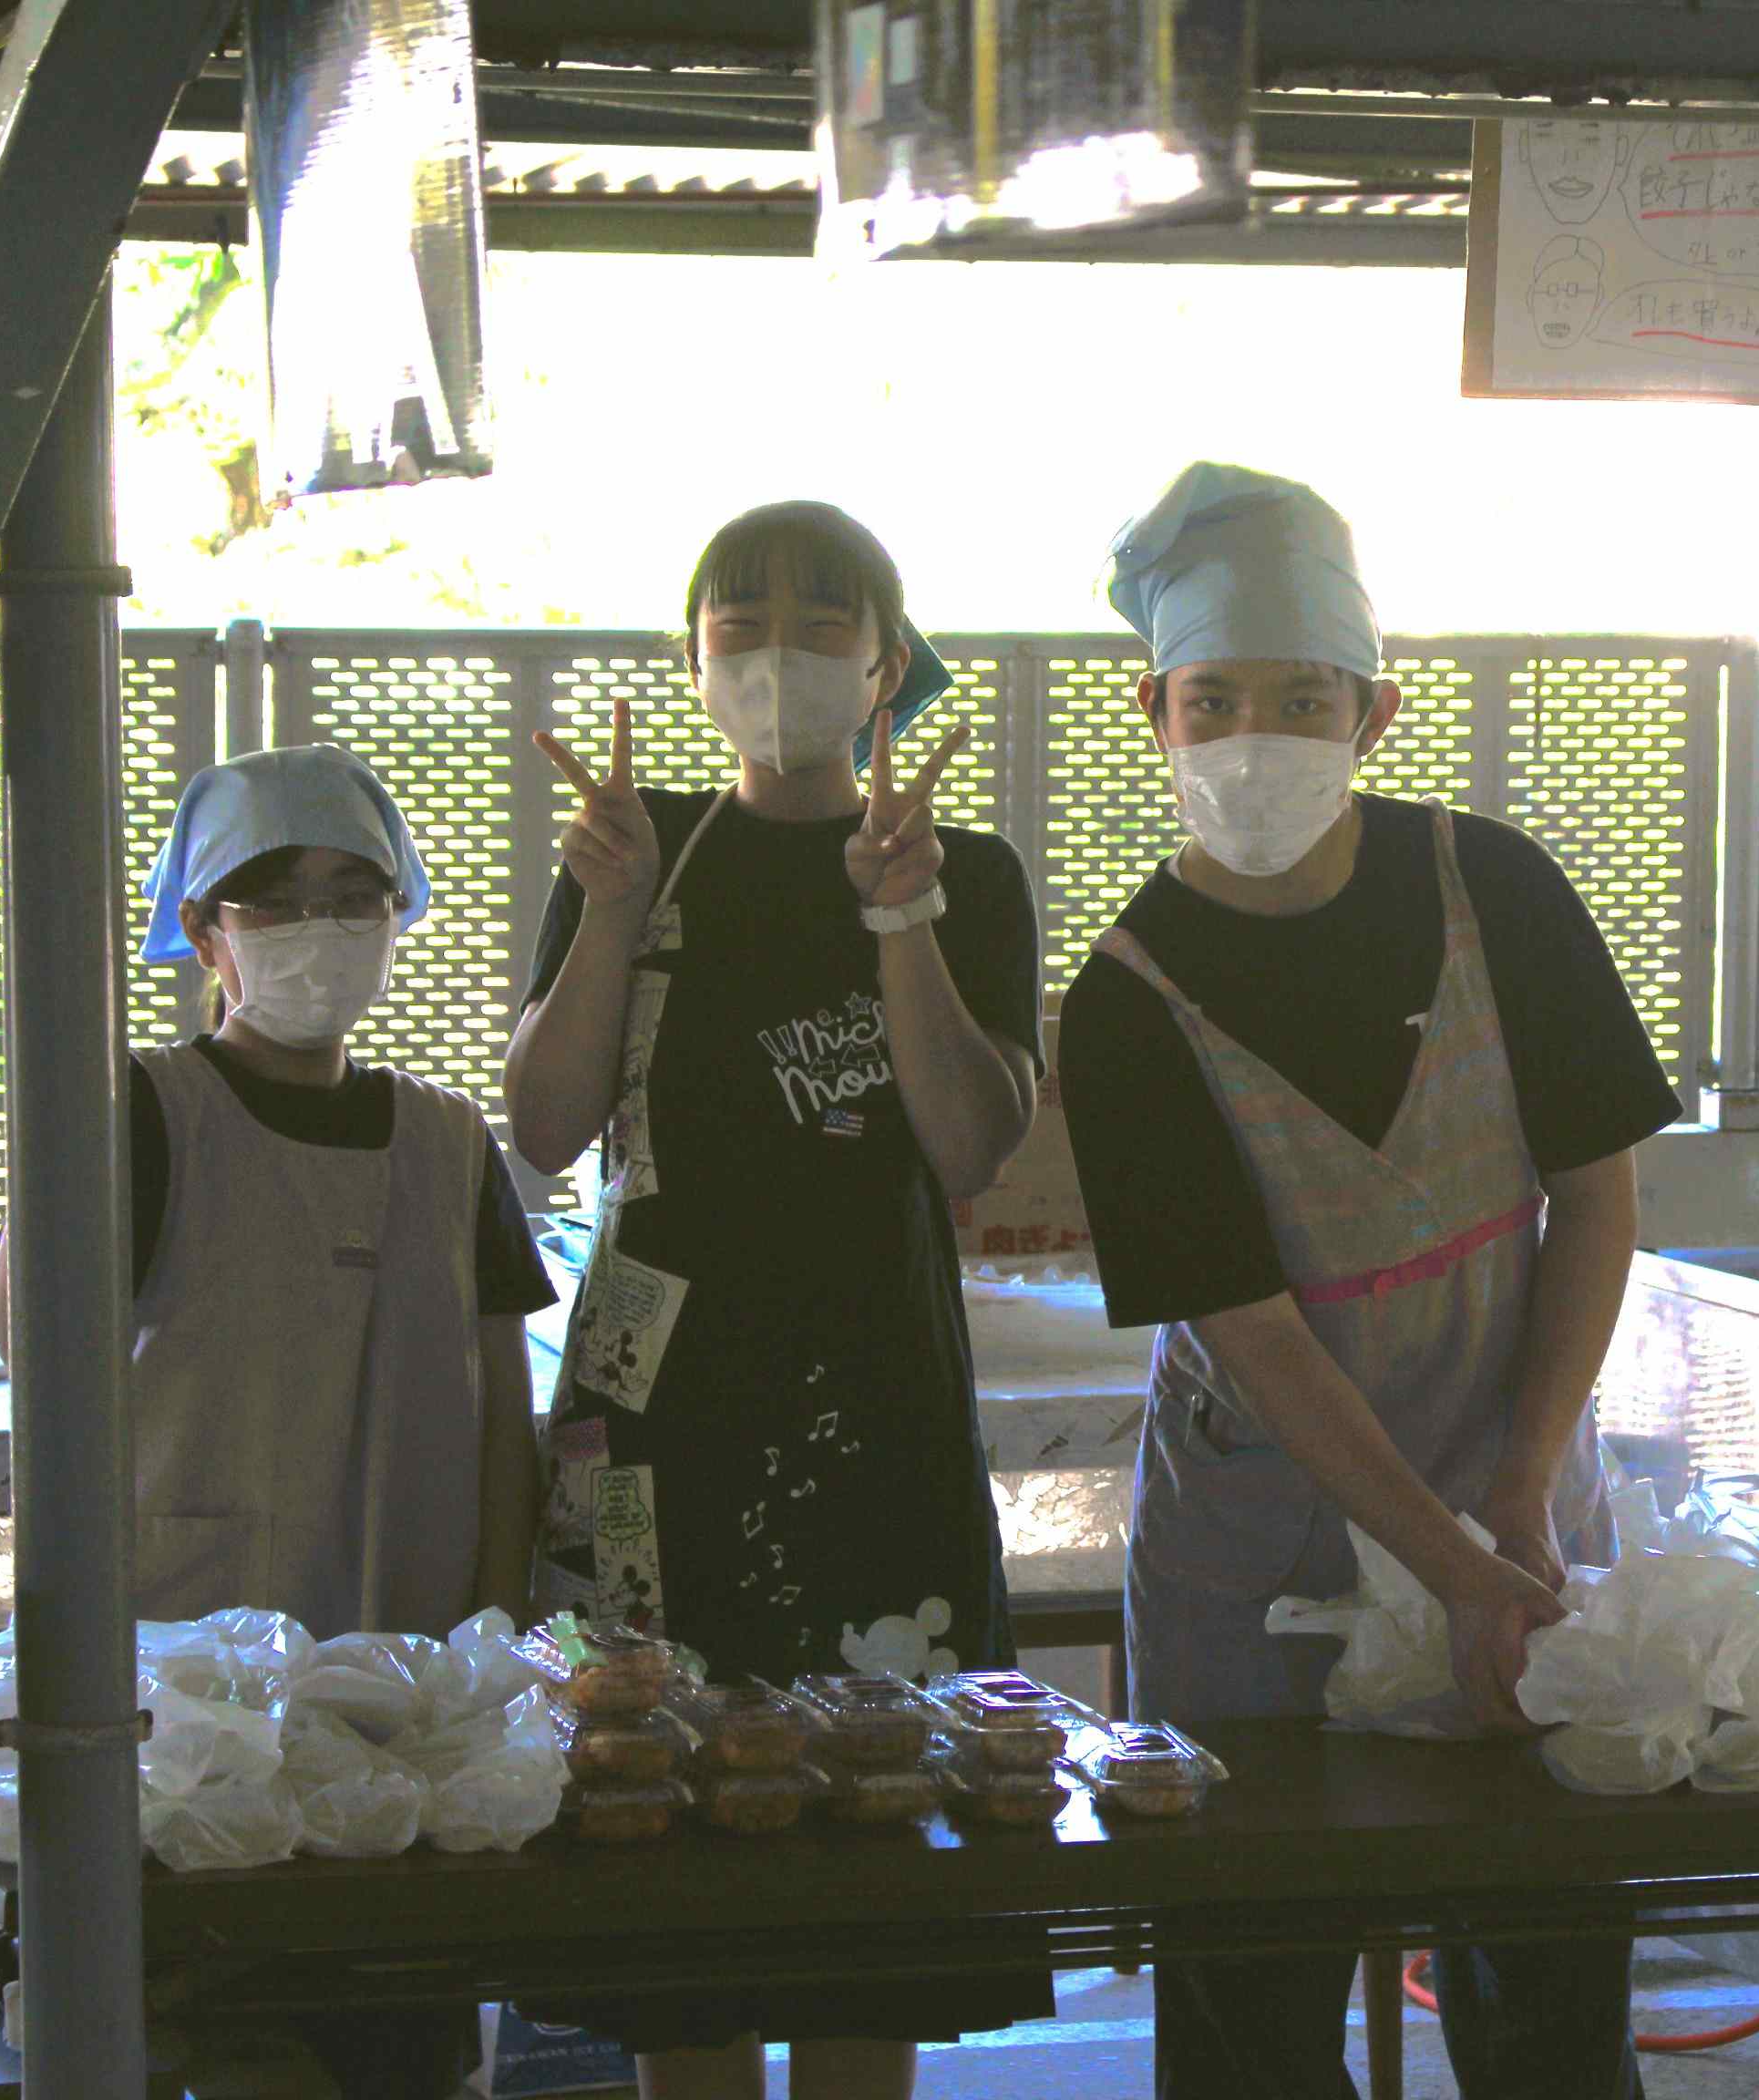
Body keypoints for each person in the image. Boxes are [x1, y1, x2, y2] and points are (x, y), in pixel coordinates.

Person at [1058, 461, 1680, 2100]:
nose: (1253, 736)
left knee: (1548, 1991)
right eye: (1213, 701)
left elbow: (1595, 1200)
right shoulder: (1126, 1003)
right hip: (1255, 1546)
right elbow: (1258, 1337)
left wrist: (1517, 1497)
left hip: (1515, 1473)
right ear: (1154, 714)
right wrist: (1449, 1564)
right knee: (1253, 2010)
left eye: (1302, 699)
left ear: (1375, 713)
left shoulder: (1497, 892)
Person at [504, 499, 1049, 2099]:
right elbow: (544, 1125)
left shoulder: (963, 870)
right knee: (664, 1853)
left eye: (823, 624)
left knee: (875, 1847)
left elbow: (972, 1143)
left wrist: (901, 920)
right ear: (692, 662)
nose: (776, 655)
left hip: (877, 1408)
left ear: (888, 666)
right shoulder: (633, 848)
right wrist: (609, 912)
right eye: (739, 624)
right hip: (654, 1419)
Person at [6, 742, 557, 2100]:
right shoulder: (140, 1114)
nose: (321, 929)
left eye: (352, 896)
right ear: (205, 930)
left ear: (397, 916)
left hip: (407, 1684)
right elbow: (41, 1360)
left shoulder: (449, 1143)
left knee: (397, 2034)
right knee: (210, 2024)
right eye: (277, 899)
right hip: (190, 1696)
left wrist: (491, 1636)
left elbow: (505, 1414)